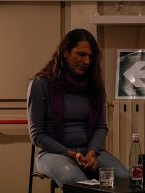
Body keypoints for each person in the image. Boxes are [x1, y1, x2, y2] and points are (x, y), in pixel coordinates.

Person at [27, 29, 129, 186]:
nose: (87, 61)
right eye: (81, 54)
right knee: (77, 183)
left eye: (90, 57)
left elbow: (101, 127)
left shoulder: (94, 85)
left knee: (124, 178)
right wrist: (71, 154)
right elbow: (37, 135)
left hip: (89, 152)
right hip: (53, 153)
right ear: (65, 52)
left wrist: (92, 153)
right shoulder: (41, 84)